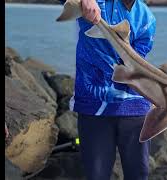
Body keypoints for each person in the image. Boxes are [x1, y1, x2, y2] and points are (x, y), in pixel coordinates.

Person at [59, 0, 156, 179]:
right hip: (94, 105)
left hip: (135, 106)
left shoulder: (147, 18)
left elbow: (136, 63)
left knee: (139, 174)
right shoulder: (93, 3)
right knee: (96, 175)